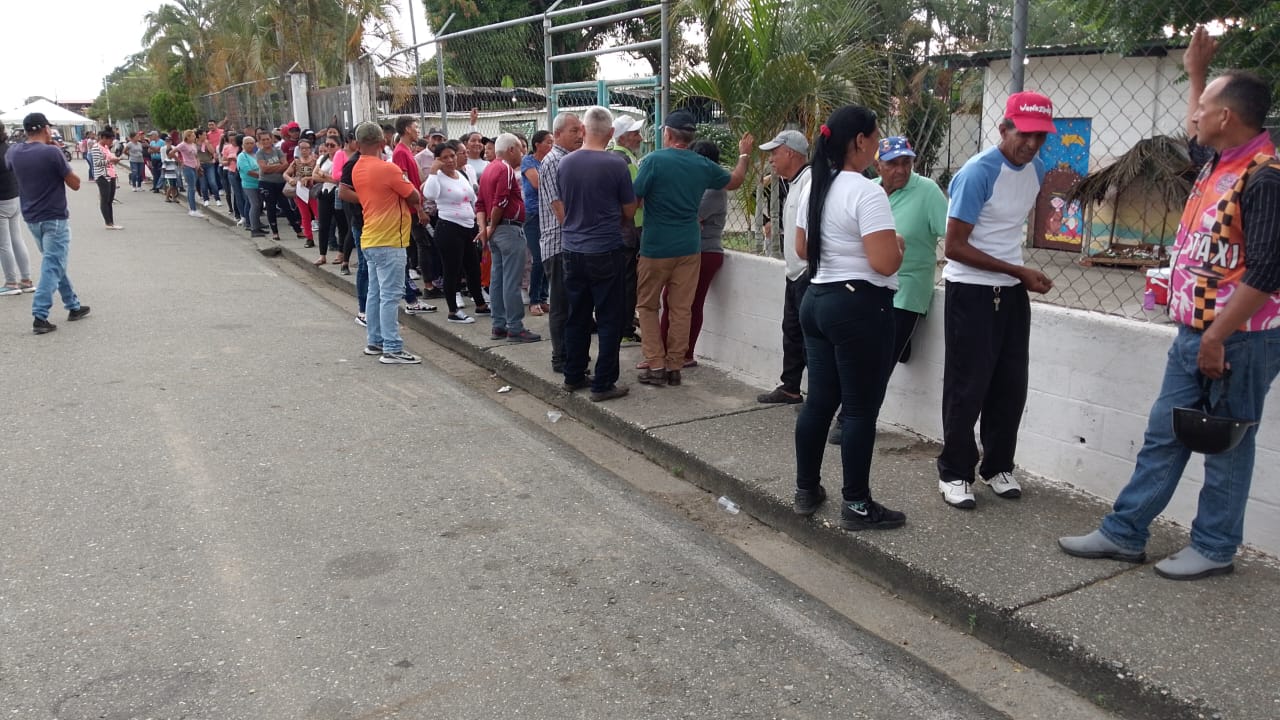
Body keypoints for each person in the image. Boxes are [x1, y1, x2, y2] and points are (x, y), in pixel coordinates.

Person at [1059, 28, 1280, 581]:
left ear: (1226, 118)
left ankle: (1215, 547)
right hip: (1196, 333)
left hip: (1238, 339)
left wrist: (1216, 337)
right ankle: (1124, 532)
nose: (1194, 115)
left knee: (1227, 443)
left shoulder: (1264, 179)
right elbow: (1196, 136)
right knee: (1165, 432)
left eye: (1203, 107)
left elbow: (1268, 271)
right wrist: (1197, 73)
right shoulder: (1220, 161)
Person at [935, 90, 1056, 510]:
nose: (1032, 144)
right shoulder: (977, 173)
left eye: (1041, 136)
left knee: (1010, 385)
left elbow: (1006, 232)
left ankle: (998, 466)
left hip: (1010, 291)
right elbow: (954, 246)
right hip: (970, 290)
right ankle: (954, 472)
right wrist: (1018, 272)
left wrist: (1016, 276)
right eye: (1025, 134)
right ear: (1004, 129)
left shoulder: (1036, 169)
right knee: (967, 386)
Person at [791, 104, 904, 530]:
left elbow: (802, 249)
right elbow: (884, 263)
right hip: (859, 307)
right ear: (860, 141)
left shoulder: (816, 185)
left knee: (819, 401)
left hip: (817, 299)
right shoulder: (867, 191)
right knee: (859, 410)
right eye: (876, 137)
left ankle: (806, 490)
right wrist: (899, 246)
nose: (877, 146)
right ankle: (856, 504)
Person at [632, 110, 752, 387]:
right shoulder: (702, 164)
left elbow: (634, 199)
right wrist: (744, 155)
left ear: (667, 134)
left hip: (656, 246)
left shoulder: (653, 161)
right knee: (681, 308)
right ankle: (675, 365)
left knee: (648, 306)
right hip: (689, 247)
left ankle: (656, 363)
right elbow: (735, 180)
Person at [557, 106, 637, 402]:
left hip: (572, 248)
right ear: (611, 132)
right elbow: (629, 210)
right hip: (605, 248)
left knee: (577, 315)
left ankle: (573, 374)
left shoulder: (566, 163)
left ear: (583, 129)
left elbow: (564, 202)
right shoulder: (616, 165)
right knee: (609, 317)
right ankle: (603, 383)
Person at [350, 121, 427, 364]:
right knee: (390, 295)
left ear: (358, 143)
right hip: (390, 239)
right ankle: (392, 347)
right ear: (383, 141)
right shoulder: (387, 168)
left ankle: (375, 340)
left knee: (375, 292)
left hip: (371, 237)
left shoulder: (358, 167)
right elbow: (414, 195)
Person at [5, 112, 89, 334]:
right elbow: (75, 183)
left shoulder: (14, 151)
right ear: (45, 129)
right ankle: (40, 315)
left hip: (31, 216)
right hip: (54, 216)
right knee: (53, 264)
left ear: (26, 131)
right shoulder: (52, 152)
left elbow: (11, 167)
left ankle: (73, 305)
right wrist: (57, 155)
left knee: (54, 261)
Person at [652, 139, 728, 370]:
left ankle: (685, 354)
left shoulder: (714, 190)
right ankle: (663, 353)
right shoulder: (698, 186)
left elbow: (687, 216)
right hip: (686, 249)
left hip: (705, 253)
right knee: (670, 300)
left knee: (690, 304)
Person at [756, 130, 813, 405]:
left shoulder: (810, 183)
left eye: (775, 153)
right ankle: (790, 387)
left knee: (810, 338)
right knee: (791, 332)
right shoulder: (794, 182)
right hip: (795, 273)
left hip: (807, 273)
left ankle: (818, 396)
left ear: (790, 153)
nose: (771, 159)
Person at [477, 133, 538, 343]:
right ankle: (515, 327)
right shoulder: (506, 169)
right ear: (511, 149)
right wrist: (492, 226)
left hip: (497, 230)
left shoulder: (488, 169)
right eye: (520, 149)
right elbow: (500, 201)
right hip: (508, 229)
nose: (522, 153)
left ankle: (499, 324)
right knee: (511, 281)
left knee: (498, 279)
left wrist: (485, 228)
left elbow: (480, 203)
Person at [422, 140, 486, 324]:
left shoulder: (460, 174)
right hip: (449, 228)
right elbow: (430, 194)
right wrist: (433, 171)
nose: (450, 160)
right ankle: (453, 311)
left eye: (452, 156)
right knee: (452, 270)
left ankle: (480, 304)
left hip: (468, 227)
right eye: (445, 158)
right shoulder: (437, 177)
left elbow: (472, 198)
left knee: (473, 268)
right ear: (437, 160)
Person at [611, 115, 645, 342]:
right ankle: (624, 329)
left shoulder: (614, 157)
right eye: (635, 134)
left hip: (619, 228)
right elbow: (635, 198)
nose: (640, 138)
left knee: (621, 279)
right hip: (630, 229)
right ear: (622, 137)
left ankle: (621, 324)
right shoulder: (625, 161)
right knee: (628, 281)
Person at [0, 125, 35, 295]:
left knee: (4, 244)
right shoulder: (9, 148)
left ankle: (11, 282)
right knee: (17, 239)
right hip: (14, 197)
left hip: (1, 200)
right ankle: (26, 280)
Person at [521, 129, 552, 316]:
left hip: (549, 214)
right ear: (537, 144)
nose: (551, 145)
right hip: (533, 215)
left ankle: (543, 297)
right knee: (539, 257)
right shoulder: (528, 161)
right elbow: (537, 183)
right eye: (548, 142)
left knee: (548, 256)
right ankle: (534, 300)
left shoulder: (550, 161)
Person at [256, 131, 301, 240]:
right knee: (270, 207)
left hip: (280, 183)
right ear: (260, 141)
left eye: (267, 139)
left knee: (286, 206)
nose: (266, 141)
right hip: (266, 183)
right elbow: (264, 169)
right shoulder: (260, 153)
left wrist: (271, 167)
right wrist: (278, 166)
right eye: (263, 139)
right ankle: (275, 232)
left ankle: (298, 230)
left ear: (271, 139)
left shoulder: (278, 151)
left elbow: (285, 165)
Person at [284, 137, 319, 252]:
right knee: (305, 215)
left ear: (310, 149)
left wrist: (310, 178)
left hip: (313, 191)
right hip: (300, 192)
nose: (304, 150)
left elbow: (319, 174)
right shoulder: (296, 162)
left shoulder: (315, 161)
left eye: (306, 148)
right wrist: (290, 180)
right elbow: (286, 174)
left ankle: (327, 237)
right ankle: (309, 238)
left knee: (318, 214)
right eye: (302, 148)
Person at [88, 128, 124, 230]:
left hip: (111, 174)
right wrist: (110, 161)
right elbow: (97, 163)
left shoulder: (106, 147)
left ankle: (111, 222)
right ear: (103, 138)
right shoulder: (96, 148)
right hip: (102, 175)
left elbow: (109, 158)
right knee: (105, 199)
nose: (111, 142)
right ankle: (108, 223)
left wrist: (114, 160)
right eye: (110, 140)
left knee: (110, 200)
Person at [237, 135, 267, 238]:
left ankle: (257, 224)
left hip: (259, 183)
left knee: (259, 205)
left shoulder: (256, 154)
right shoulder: (242, 156)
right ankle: (254, 229)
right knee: (255, 204)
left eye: (251, 143)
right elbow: (248, 171)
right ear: (243, 145)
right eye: (247, 143)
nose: (249, 145)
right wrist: (262, 176)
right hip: (249, 184)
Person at [174, 129, 204, 218]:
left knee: (192, 187)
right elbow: (171, 152)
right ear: (188, 137)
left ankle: (192, 208)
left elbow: (196, 155)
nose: (194, 137)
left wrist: (198, 163)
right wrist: (180, 161)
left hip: (194, 167)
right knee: (191, 188)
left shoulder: (193, 145)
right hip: (187, 167)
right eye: (193, 136)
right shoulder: (183, 145)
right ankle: (193, 209)